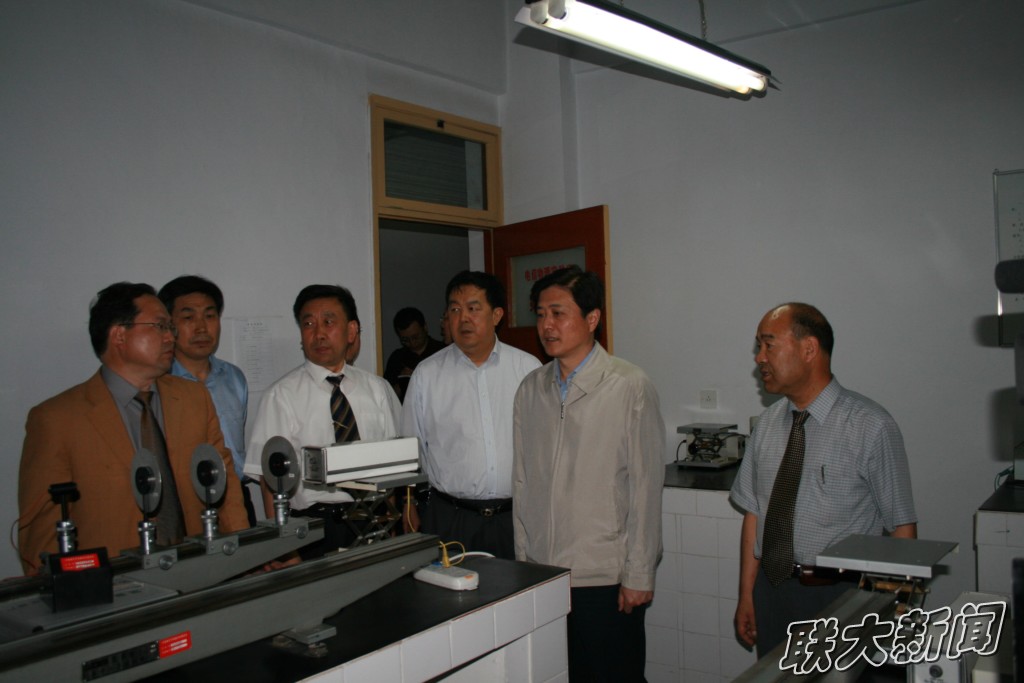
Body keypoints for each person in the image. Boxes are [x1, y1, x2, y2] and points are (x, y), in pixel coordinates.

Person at [18, 282, 249, 574]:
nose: (171, 337)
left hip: (198, 571)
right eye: (160, 326)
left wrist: (244, 556)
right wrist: (58, 588)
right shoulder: (57, 419)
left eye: (170, 327)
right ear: (119, 334)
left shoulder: (193, 398)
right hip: (112, 582)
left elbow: (224, 484)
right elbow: (42, 531)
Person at [730, 302, 917, 657]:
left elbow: (901, 528)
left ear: (809, 349)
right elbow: (755, 515)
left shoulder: (870, 426)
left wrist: (897, 610)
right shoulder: (766, 425)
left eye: (769, 344)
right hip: (772, 593)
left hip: (841, 596)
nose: (759, 357)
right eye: (758, 346)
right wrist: (747, 595)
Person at [512, 266, 664, 682]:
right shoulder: (530, 389)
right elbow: (522, 483)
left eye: (558, 313)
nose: (546, 325)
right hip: (544, 573)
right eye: (540, 314)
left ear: (592, 318)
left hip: (604, 575)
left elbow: (646, 488)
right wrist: (524, 563)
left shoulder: (629, 386)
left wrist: (639, 573)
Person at [244, 284, 401, 558]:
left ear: (351, 331)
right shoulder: (281, 396)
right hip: (313, 528)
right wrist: (282, 548)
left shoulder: (377, 389)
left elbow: (393, 464)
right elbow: (269, 481)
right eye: (308, 324)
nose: (318, 333)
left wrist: (392, 523)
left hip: (373, 519)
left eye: (328, 322)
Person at [402, 271, 540, 559]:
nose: (463, 318)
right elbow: (410, 446)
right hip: (450, 518)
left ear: (497, 315)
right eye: (454, 309)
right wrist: (409, 502)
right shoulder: (427, 375)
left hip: (516, 517)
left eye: (473, 308)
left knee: (519, 587)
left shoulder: (528, 369)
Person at [158, 275, 255, 526]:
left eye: (210, 316)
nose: (201, 328)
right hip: (185, 503)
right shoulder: (159, 384)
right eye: (188, 318)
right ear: (168, 325)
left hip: (236, 497)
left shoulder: (233, 377)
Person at [384, 307, 445, 402]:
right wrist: (402, 382)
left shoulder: (442, 352)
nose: (412, 343)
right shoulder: (397, 358)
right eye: (405, 340)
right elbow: (386, 398)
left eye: (415, 337)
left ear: (425, 327)